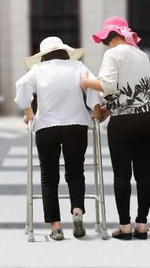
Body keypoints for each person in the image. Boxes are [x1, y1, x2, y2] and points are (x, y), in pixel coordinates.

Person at [14, 36, 101, 241]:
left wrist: (29, 113)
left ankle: (56, 227)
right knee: (76, 173)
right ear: (64, 51)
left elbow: (22, 86)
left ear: (43, 55)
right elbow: (93, 87)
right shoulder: (77, 66)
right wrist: (95, 110)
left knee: (49, 177)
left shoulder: (38, 70)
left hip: (46, 126)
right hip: (76, 125)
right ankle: (77, 211)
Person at [81, 16, 150, 240]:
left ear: (110, 36)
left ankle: (125, 226)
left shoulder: (112, 54)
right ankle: (141, 224)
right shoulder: (142, 55)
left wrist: (85, 82)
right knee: (144, 173)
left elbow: (108, 86)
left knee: (122, 174)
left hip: (123, 122)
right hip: (147, 118)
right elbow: (136, 90)